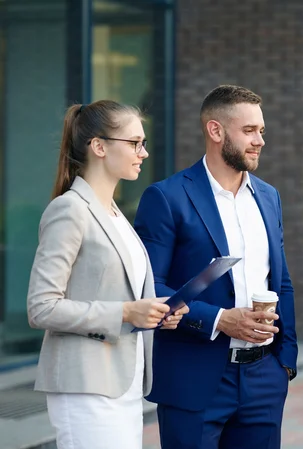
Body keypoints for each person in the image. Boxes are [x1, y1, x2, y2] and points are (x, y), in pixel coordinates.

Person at [134, 85, 298, 449]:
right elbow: (150, 287)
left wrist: (285, 362)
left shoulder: (269, 197)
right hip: (193, 377)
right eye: (249, 131)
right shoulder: (166, 197)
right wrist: (219, 319)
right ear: (215, 130)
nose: (260, 141)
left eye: (262, 131)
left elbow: (281, 281)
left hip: (264, 378)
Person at [27, 100, 189, 449]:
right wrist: (126, 313)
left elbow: (119, 296)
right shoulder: (69, 210)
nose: (143, 152)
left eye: (144, 143)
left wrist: (155, 312)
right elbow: (41, 307)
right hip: (85, 383)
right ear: (99, 147)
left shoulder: (115, 215)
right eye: (134, 143)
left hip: (124, 381)